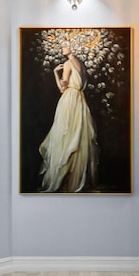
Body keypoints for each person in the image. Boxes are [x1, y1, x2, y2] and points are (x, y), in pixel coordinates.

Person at [39, 43, 98, 193]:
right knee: (78, 134)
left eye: (65, 47)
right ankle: (76, 179)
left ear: (70, 49)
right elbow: (79, 74)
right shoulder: (81, 65)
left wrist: (56, 74)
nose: (63, 49)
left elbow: (62, 88)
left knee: (67, 134)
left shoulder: (68, 63)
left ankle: (67, 179)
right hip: (80, 100)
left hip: (69, 99)